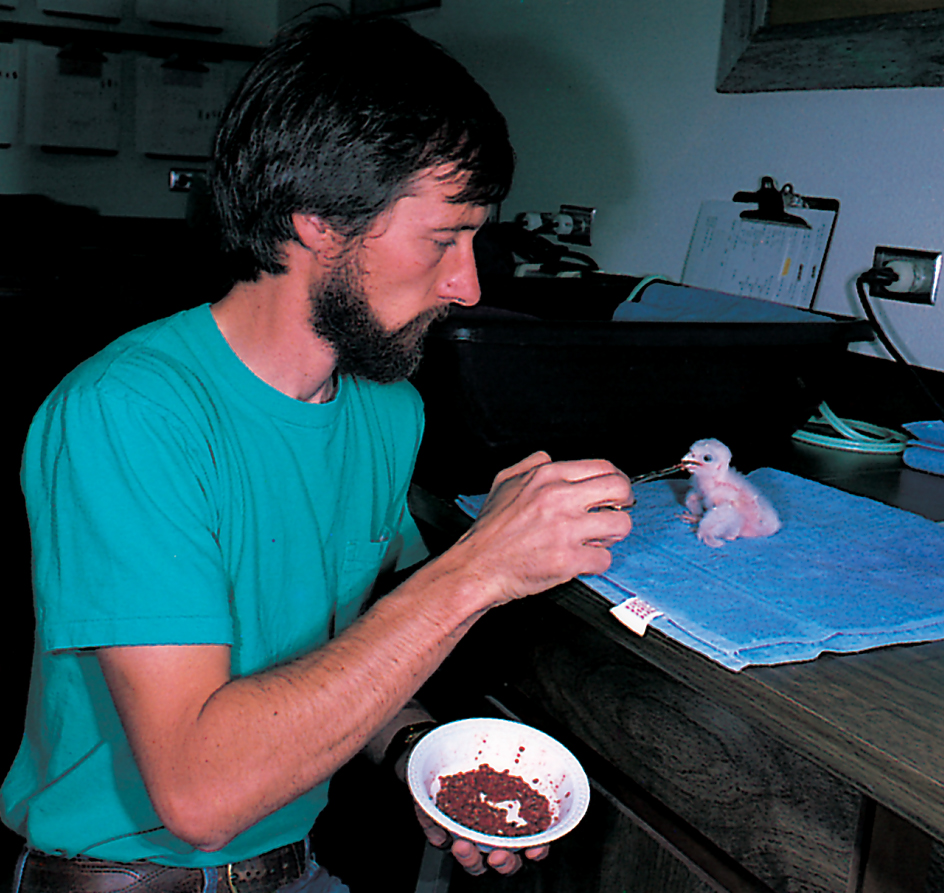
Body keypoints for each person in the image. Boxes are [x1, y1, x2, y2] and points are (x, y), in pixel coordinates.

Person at [1, 14, 633, 893]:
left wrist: (419, 750)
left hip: (298, 869)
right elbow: (200, 792)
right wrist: (479, 566)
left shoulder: (386, 410)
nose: (469, 284)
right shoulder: (126, 414)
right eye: (445, 237)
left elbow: (344, 654)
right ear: (318, 226)